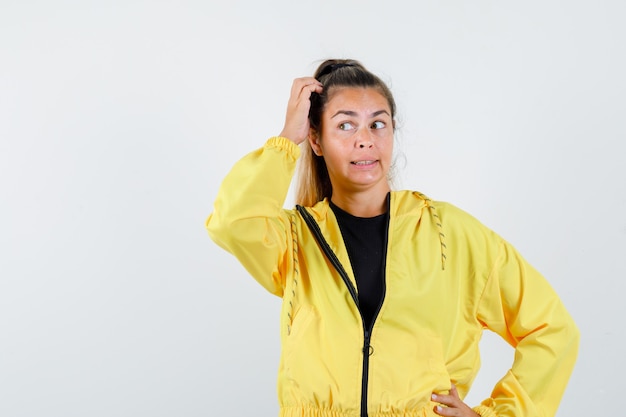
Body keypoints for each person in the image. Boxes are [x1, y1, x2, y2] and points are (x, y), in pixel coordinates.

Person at [205, 59, 579, 417]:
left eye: (378, 124)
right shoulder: (295, 239)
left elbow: (552, 330)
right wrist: (288, 139)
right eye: (346, 126)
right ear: (316, 140)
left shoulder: (451, 235)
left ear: (393, 132)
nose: (365, 140)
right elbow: (232, 222)